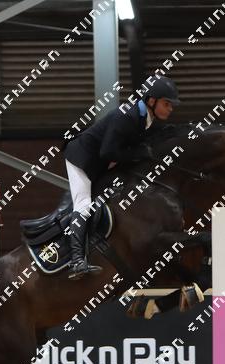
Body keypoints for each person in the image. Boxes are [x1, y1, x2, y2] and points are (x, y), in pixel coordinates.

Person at [63, 76, 180, 279]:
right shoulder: (126, 116)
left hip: (98, 162)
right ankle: (76, 262)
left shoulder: (146, 119)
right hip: (80, 158)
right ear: (151, 101)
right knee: (83, 204)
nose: (170, 108)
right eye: (167, 103)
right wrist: (138, 153)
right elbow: (108, 151)